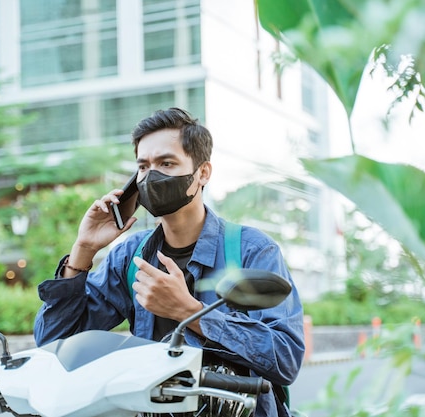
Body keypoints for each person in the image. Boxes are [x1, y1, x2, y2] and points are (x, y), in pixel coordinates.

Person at [33, 107, 305, 417]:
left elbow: (285, 358)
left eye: (167, 163)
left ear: (202, 173)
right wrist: (83, 249)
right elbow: (54, 344)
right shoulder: (130, 256)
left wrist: (189, 311)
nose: (153, 176)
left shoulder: (251, 250)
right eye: (144, 166)